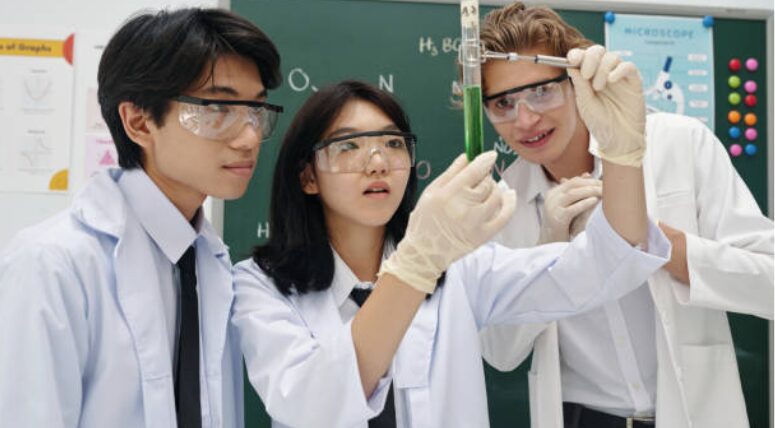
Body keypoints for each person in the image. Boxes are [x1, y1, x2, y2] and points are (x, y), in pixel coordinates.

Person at [231, 79, 669, 427]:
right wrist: (415, 264)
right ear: (308, 177)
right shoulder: (259, 284)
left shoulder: (459, 266)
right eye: (348, 145)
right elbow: (314, 404)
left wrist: (622, 153)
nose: (377, 162)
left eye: (392, 143)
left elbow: (605, 265)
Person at [477, 3, 775, 428]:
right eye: (503, 102)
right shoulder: (502, 203)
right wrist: (546, 251)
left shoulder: (679, 143)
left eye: (542, 91)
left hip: (694, 413)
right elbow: (500, 352)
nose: (525, 119)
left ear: (576, 81)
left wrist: (653, 242)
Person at [0, 8, 283, 427]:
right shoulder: (53, 264)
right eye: (219, 109)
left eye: (256, 110)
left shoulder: (212, 262)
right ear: (139, 122)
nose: (249, 137)